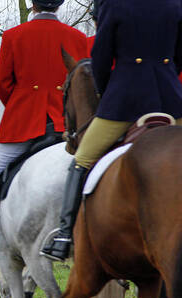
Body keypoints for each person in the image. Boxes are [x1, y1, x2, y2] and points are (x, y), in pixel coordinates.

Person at [41, 0, 182, 261]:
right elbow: (179, 56)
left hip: (125, 100)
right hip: (170, 101)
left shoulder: (114, 5)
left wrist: (107, 94)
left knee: (82, 159)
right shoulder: (175, 4)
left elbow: (102, 59)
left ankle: (63, 236)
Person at [0, 0, 87, 255]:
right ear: (59, 5)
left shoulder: (13, 36)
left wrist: (20, 105)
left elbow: (2, 85)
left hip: (24, 122)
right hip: (64, 123)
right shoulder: (77, 37)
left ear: (32, 5)